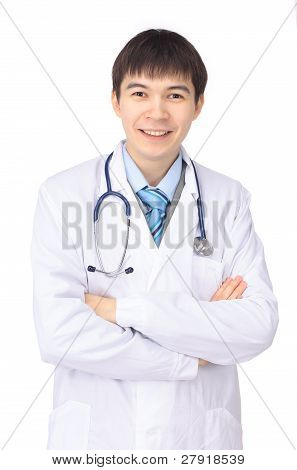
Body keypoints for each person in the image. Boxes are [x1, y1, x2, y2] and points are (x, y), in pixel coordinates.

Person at [30, 29, 278, 450]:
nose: (157, 113)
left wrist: (115, 309)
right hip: (96, 443)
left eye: (176, 96)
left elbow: (257, 326)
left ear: (198, 105)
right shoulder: (63, 195)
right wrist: (192, 353)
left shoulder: (229, 199)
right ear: (116, 101)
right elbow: (59, 334)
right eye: (140, 93)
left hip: (200, 443)